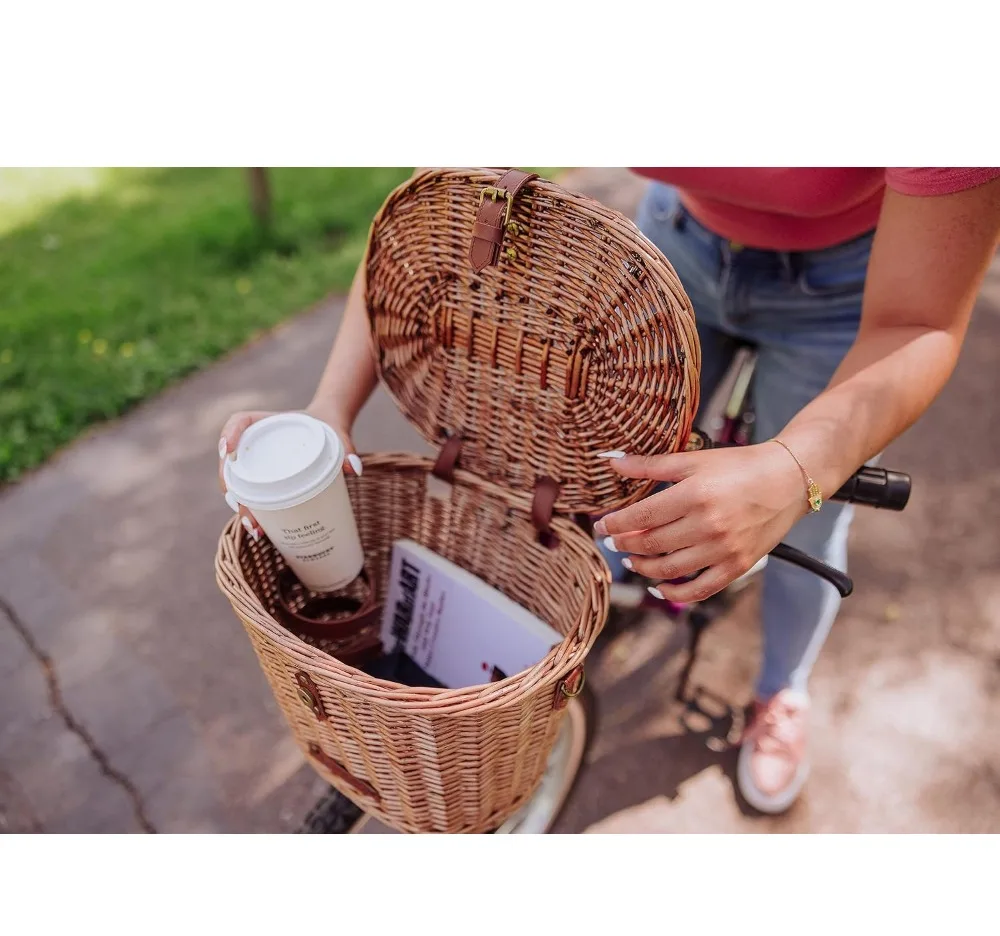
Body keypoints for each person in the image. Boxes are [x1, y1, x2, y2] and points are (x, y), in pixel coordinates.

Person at [219, 167, 1000, 816]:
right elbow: (439, 206)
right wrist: (329, 409)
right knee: (603, 478)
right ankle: (615, 582)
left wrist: (797, 472)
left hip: (851, 289)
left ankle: (780, 693)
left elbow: (917, 322)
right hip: (667, 255)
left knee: (805, 531)